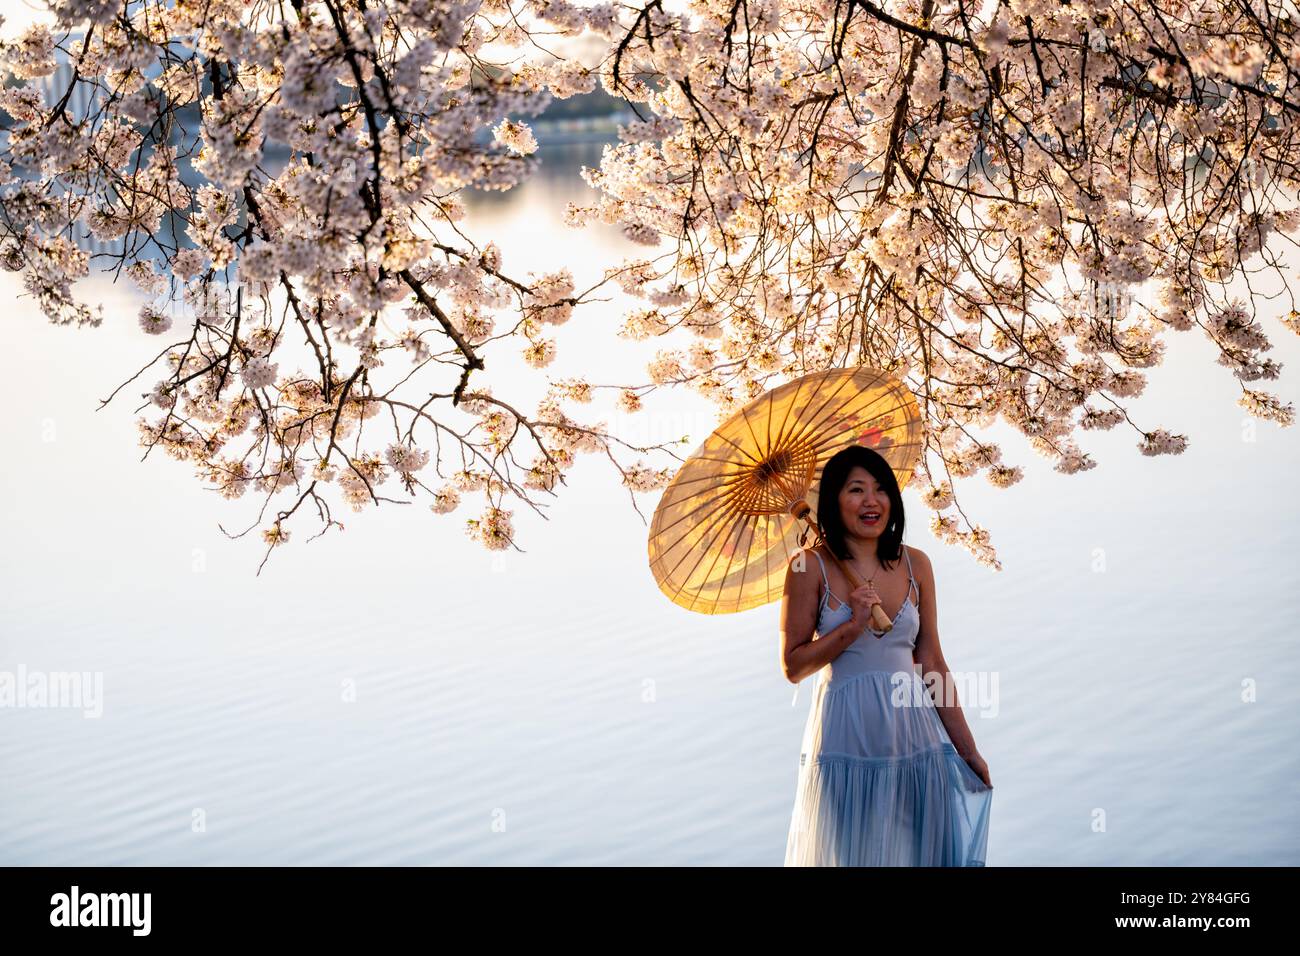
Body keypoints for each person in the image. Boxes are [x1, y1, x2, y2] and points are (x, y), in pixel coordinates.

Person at [780, 444, 993, 866]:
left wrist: (968, 749)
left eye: (880, 489)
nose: (871, 501)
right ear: (834, 503)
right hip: (848, 744)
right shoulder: (809, 566)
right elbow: (793, 666)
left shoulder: (917, 564)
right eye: (856, 490)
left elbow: (931, 662)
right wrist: (852, 625)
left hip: (917, 739)